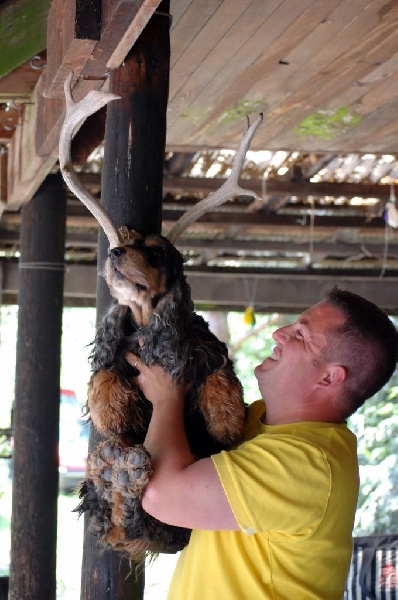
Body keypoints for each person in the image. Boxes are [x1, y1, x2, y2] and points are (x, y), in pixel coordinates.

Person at [125, 287, 398, 599]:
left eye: (301, 335)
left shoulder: (306, 465)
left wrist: (166, 397)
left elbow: (161, 496)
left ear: (330, 378)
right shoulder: (261, 419)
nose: (281, 333)